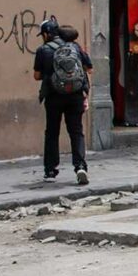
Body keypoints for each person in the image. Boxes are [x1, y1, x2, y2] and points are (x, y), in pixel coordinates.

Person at [33, 20, 93, 184]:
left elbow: (37, 76)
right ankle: (80, 166)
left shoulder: (43, 50)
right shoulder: (74, 47)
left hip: (53, 97)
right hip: (75, 96)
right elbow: (89, 68)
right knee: (76, 131)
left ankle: (51, 170)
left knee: (52, 132)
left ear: (46, 34)